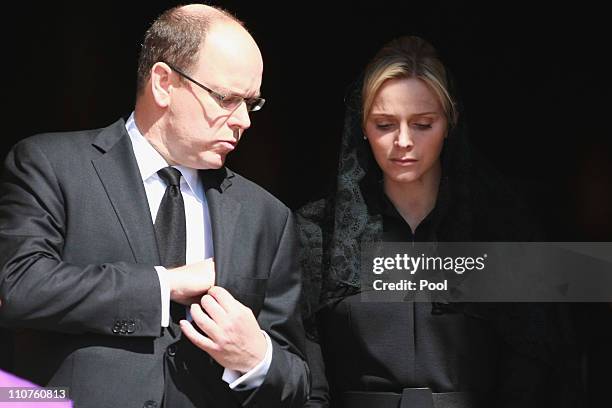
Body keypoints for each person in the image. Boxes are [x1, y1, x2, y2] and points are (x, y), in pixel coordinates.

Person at [0, 4, 308, 408]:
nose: (243, 121)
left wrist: (255, 359)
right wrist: (166, 285)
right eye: (226, 99)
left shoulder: (266, 216)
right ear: (164, 83)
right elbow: (17, 287)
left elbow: (300, 380)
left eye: (251, 104)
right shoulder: (52, 164)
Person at [297, 36, 581, 407]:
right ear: (362, 127)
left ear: (450, 123)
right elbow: (304, 356)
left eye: (422, 124)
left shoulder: (500, 230)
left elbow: (535, 356)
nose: (403, 141)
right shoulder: (321, 232)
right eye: (384, 124)